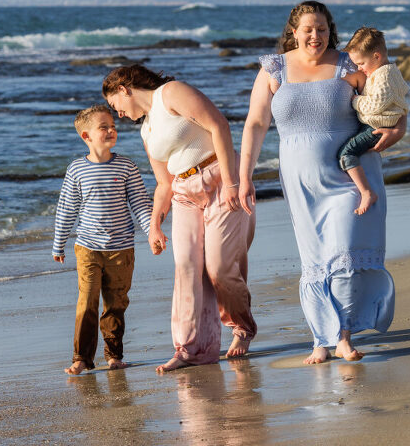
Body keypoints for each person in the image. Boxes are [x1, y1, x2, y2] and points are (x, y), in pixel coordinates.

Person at [238, 1, 406, 364]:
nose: (316, 36)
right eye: (308, 29)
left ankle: (342, 336)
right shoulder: (274, 68)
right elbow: (255, 124)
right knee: (316, 259)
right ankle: (321, 339)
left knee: (344, 251)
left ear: (331, 31)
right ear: (294, 32)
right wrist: (243, 177)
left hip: (351, 175)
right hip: (300, 180)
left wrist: (400, 128)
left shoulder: (348, 63)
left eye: (323, 29)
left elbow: (390, 100)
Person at [102, 65, 257, 373]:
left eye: (114, 105)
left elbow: (219, 126)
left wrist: (230, 182)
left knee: (220, 267)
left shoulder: (170, 93)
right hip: (184, 193)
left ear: (124, 89)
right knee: (186, 267)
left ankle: (241, 327)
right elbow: (163, 183)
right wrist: (154, 224)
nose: (117, 114)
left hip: (218, 178)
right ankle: (189, 349)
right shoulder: (146, 130)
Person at [52, 104, 153, 375]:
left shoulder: (126, 166)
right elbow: (66, 208)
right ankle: (81, 358)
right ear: (86, 136)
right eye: (103, 127)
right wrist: (58, 243)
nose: (111, 131)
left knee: (116, 303)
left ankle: (114, 354)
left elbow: (141, 204)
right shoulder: (76, 170)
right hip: (87, 248)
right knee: (87, 301)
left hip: (122, 249)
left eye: (113, 126)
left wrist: (152, 231)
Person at [339, 27, 409, 215]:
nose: (359, 68)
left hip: (377, 126)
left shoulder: (383, 76)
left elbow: (374, 105)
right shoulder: (388, 71)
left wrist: (355, 101)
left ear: (377, 56)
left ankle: (366, 192)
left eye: (361, 63)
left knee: (347, 154)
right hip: (379, 122)